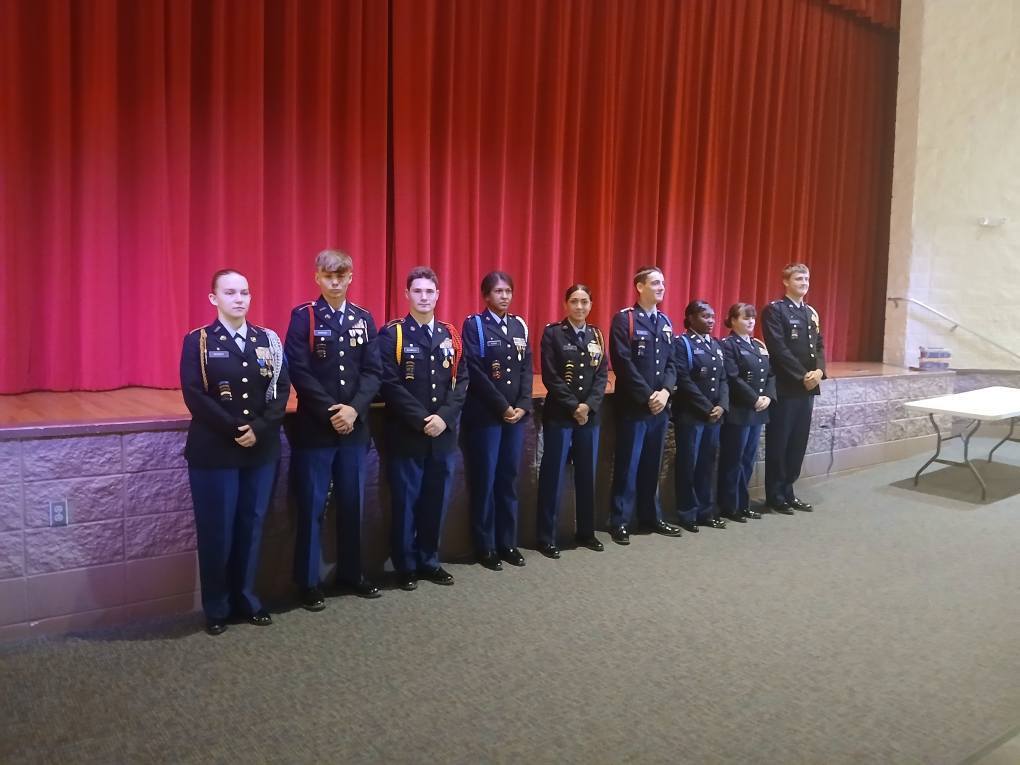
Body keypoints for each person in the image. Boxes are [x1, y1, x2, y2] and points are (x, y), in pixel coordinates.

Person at [180, 269, 289, 636]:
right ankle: (217, 607)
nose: (239, 298)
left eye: (244, 292)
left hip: (260, 450)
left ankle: (246, 598)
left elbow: (281, 390)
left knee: (252, 526)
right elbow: (195, 394)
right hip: (215, 451)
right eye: (230, 292)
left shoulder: (268, 340)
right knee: (217, 531)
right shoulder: (198, 341)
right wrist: (233, 429)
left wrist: (258, 429)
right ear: (214, 299)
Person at [285, 250, 382, 612]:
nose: (336, 282)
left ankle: (352, 573)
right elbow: (299, 369)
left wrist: (353, 410)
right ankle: (308, 582)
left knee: (352, 502)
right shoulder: (304, 316)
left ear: (352, 276)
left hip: (354, 429)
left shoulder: (363, 318)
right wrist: (332, 411)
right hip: (317, 429)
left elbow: (374, 371)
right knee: (312, 506)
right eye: (329, 276)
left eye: (342, 275)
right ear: (317, 278)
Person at [378, 267, 468, 590]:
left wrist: (443, 418)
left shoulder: (450, 335)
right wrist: (421, 419)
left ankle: (429, 560)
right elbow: (389, 382)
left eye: (430, 292)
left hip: (443, 436)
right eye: (417, 291)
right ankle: (406, 565)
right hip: (408, 434)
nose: (424, 297)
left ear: (438, 295)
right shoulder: (393, 334)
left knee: (436, 500)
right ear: (406, 295)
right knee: (406, 502)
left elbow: (462, 382)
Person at [461, 272, 533, 571]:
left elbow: (527, 368)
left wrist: (521, 406)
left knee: (508, 481)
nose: (504, 296)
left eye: (508, 291)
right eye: (498, 291)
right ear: (486, 296)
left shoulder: (520, 325)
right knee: (485, 481)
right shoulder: (475, 324)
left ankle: (508, 542)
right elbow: (475, 370)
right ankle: (485, 545)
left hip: (514, 418)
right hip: (486, 417)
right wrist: (503, 406)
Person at [607, 266, 684, 544]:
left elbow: (672, 363)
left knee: (653, 464)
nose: (661, 287)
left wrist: (664, 392)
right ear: (639, 287)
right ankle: (620, 521)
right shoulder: (624, 319)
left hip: (660, 407)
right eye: (655, 282)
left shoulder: (665, 321)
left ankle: (651, 516)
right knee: (628, 464)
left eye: (663, 282)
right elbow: (622, 362)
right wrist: (648, 395)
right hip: (635, 406)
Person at [535, 284, 609, 558]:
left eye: (585, 302)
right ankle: (546, 537)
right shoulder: (553, 333)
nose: (580, 307)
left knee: (586, 475)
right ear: (566, 304)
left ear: (591, 305)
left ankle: (586, 532)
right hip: (560, 416)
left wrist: (587, 406)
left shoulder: (597, 335)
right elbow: (550, 376)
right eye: (575, 301)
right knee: (552, 476)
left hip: (589, 418)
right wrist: (574, 405)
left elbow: (602, 375)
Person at [761, 263, 826, 514]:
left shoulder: (811, 312)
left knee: (798, 443)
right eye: (799, 278)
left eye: (807, 278)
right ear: (786, 282)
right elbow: (778, 349)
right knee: (780, 442)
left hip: (808, 388)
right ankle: (775, 495)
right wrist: (802, 376)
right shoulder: (775, 311)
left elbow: (819, 345)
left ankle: (788, 490)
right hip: (787, 386)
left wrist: (819, 371)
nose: (804, 282)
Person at [672, 300, 729, 533]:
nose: (711, 321)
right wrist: (707, 407)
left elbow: (724, 379)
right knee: (689, 464)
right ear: (691, 318)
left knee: (707, 464)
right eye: (705, 316)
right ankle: (687, 512)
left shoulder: (716, 345)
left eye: (713, 316)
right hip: (692, 415)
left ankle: (706, 511)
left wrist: (722, 406)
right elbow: (683, 379)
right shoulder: (682, 343)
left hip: (714, 416)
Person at [717, 303, 774, 522]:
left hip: (758, 411)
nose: (751, 321)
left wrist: (768, 396)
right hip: (740, 410)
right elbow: (732, 377)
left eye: (752, 318)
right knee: (734, 460)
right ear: (732, 320)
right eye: (745, 318)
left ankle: (743, 503)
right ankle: (729, 505)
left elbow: (770, 374)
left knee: (748, 460)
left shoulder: (758, 344)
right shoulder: (728, 345)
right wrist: (754, 398)